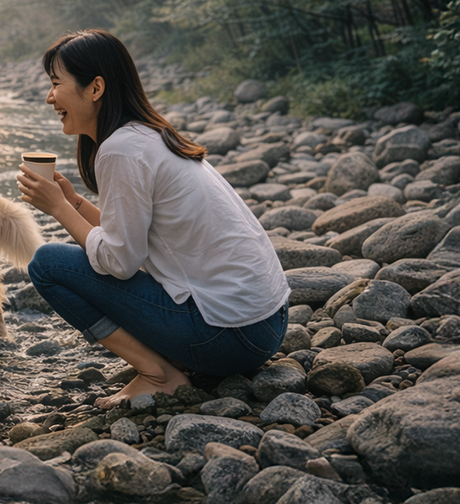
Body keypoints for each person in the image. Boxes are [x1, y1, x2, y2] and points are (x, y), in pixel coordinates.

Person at [17, 29, 288, 409]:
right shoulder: (147, 136)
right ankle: (172, 359)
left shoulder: (121, 150)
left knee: (48, 264)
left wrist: (58, 209)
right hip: (266, 323)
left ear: (95, 88)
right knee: (68, 259)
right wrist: (74, 202)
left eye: (56, 83)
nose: (50, 97)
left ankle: (158, 375)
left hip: (230, 338)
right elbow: (130, 237)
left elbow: (120, 261)